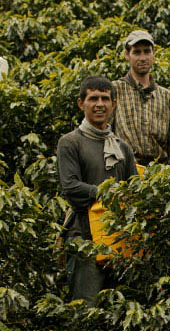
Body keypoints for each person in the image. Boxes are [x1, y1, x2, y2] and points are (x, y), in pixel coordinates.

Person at [57, 76, 138, 303]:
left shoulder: (122, 147)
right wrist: (107, 192)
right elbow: (71, 186)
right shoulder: (70, 142)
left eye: (105, 98)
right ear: (81, 103)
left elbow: (134, 190)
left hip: (118, 238)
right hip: (83, 236)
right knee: (86, 307)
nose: (99, 104)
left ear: (114, 103)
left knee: (118, 308)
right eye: (93, 99)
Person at [111, 30, 170, 165]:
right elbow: (104, 134)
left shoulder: (167, 97)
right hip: (126, 170)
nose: (143, 58)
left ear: (153, 53)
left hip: (159, 172)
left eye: (147, 51)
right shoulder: (115, 90)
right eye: (137, 52)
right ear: (127, 55)